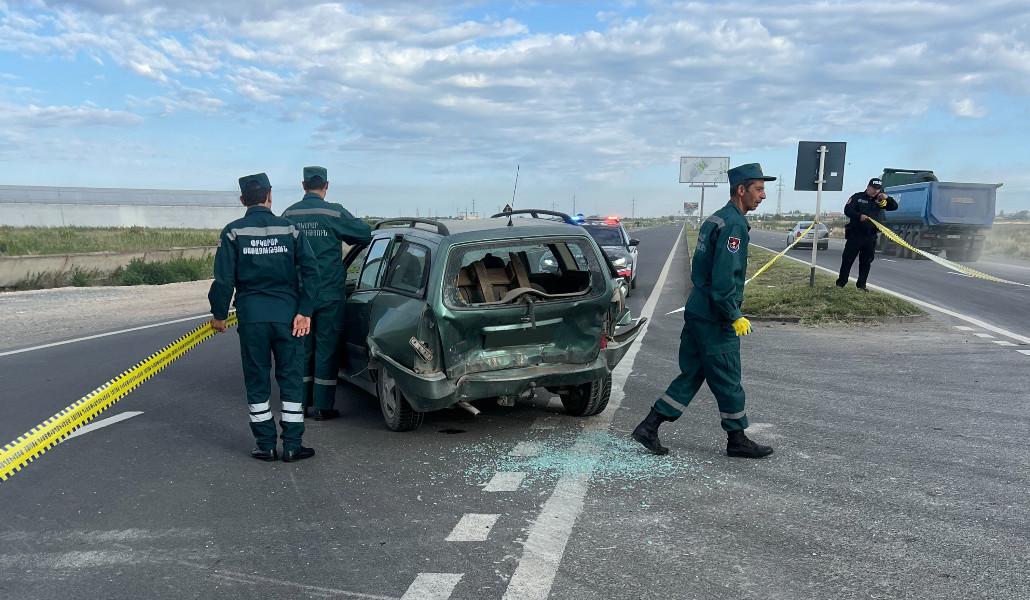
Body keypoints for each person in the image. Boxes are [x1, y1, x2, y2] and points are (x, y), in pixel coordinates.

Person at [632, 163, 775, 459]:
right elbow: (724, 278)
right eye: (759, 189)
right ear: (741, 190)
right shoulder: (733, 224)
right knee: (728, 377)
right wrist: (733, 314)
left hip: (698, 309)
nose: (763, 196)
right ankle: (737, 439)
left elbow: (703, 270)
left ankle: (649, 426)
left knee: (693, 373)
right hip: (715, 317)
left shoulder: (716, 219)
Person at [209, 173, 321, 462]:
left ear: (242, 200)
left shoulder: (232, 232)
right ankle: (293, 445)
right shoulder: (291, 230)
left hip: (252, 318)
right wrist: (305, 311)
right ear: (270, 195)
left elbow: (223, 280)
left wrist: (219, 314)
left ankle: (265, 445)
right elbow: (311, 272)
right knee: (291, 377)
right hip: (288, 317)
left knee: (257, 378)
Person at [282, 166, 372, 420]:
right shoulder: (333, 212)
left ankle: (299, 404)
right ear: (326, 185)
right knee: (327, 348)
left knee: (301, 348)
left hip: (299, 294)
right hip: (329, 292)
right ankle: (323, 406)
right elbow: (364, 233)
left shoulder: (289, 214)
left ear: (303, 185)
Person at [835, 177, 898, 290]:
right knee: (847, 259)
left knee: (866, 261)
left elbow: (894, 207)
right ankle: (841, 283)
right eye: (874, 188)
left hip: (870, 236)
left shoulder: (881, 201)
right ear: (868, 187)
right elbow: (848, 210)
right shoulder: (858, 197)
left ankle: (861, 285)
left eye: (878, 189)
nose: (875, 191)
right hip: (855, 234)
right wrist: (859, 216)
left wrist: (887, 198)